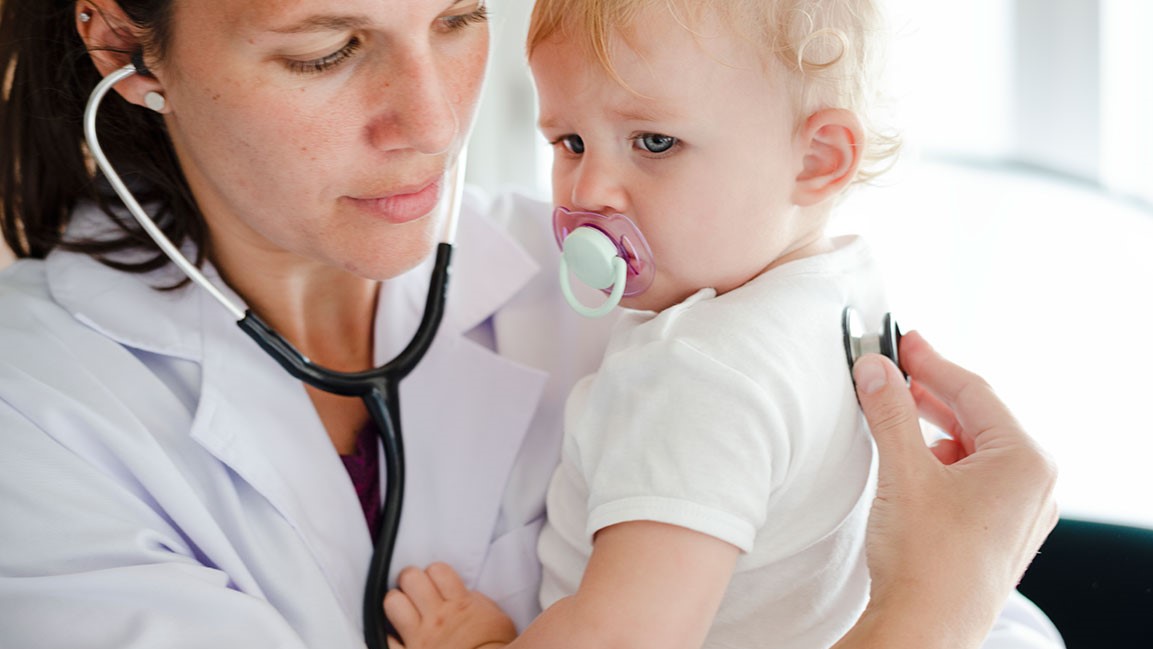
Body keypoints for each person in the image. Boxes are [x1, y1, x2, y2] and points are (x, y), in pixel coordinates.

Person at [0, 1, 1056, 648]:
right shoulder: (34, 414)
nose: (429, 127)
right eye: (326, 51)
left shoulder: (672, 289)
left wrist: (950, 599)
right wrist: (926, 615)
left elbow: (988, 627)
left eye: (457, 18)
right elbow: (943, 603)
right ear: (123, 43)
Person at [382, 1, 1061, 648]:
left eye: (653, 142)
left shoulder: (696, 370)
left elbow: (624, 637)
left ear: (818, 158)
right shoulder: (842, 290)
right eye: (570, 141)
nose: (587, 191)